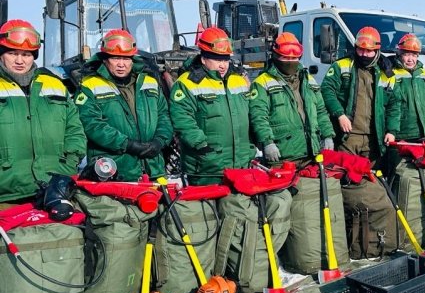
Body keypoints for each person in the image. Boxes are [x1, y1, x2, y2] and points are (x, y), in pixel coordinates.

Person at [0, 20, 85, 208]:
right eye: (13, 53)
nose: (20, 60)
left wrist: (68, 166)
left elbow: (75, 131)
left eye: (26, 54)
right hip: (7, 195)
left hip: (53, 188)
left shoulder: (54, 84)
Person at [76, 29, 173, 181]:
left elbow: (164, 116)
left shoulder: (150, 82)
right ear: (105, 59)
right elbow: (92, 124)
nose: (121, 64)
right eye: (115, 58)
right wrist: (128, 145)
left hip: (154, 169)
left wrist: (159, 141)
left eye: (126, 58)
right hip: (115, 171)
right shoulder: (89, 86)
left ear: (133, 59)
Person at [169, 27, 254, 184]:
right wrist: (202, 147)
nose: (223, 65)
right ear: (203, 59)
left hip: (241, 166)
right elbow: (182, 120)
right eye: (217, 59)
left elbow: (252, 113)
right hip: (206, 169)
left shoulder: (239, 80)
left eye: (225, 59)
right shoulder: (186, 83)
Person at [250, 32, 335, 163]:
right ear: (276, 56)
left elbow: (321, 112)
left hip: (312, 153)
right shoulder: (262, 83)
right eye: (286, 58)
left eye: (294, 58)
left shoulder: (308, 80)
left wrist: (328, 135)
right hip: (282, 155)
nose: (290, 62)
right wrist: (268, 142)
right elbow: (259, 117)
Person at [320, 26, 399, 165]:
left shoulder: (386, 73)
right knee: (345, 176)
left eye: (368, 51)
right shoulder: (342, 65)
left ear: (377, 50)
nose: (363, 54)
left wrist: (391, 131)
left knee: (371, 179)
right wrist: (340, 115)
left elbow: (394, 105)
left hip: (374, 139)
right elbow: (327, 90)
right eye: (360, 49)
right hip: (348, 137)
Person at [391, 33, 425, 142]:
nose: (410, 59)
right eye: (407, 54)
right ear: (399, 54)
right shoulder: (391, 74)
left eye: (414, 55)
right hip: (403, 134)